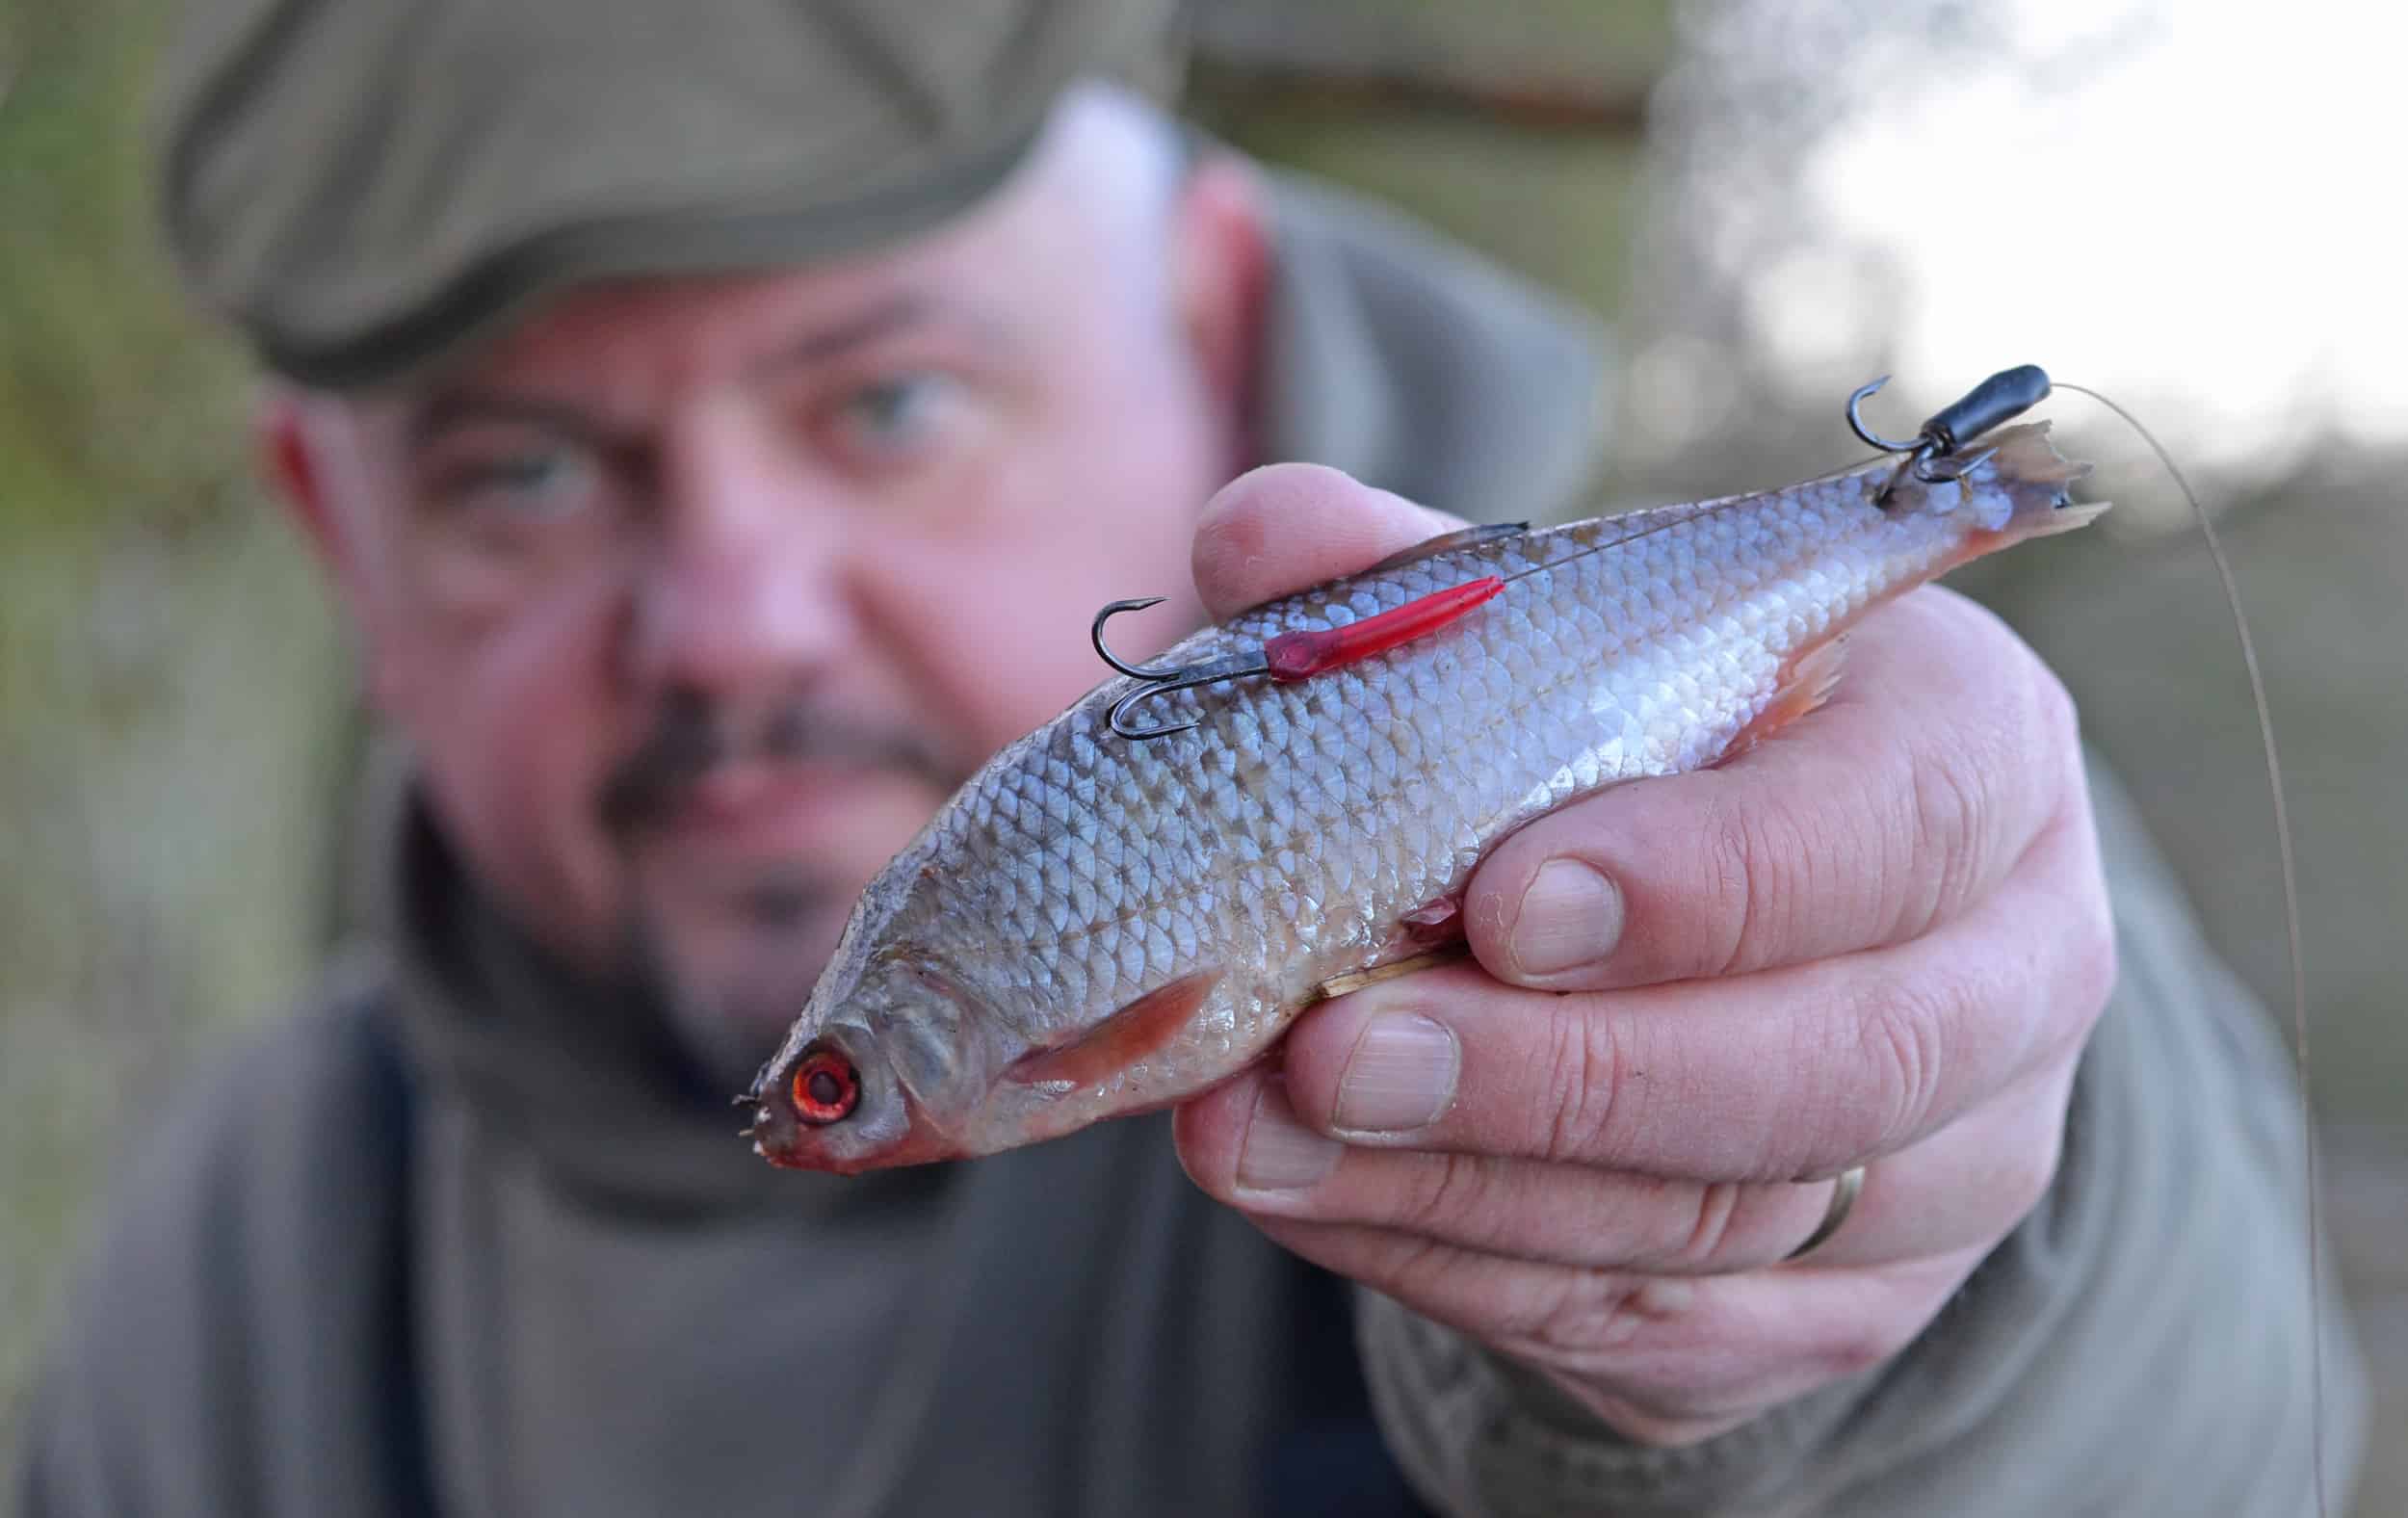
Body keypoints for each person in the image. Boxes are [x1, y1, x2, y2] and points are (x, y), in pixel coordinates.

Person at [14, 1, 2363, 1513]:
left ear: (1210, 314)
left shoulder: (1844, 774)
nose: (730, 612)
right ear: (334, 535)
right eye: (520, 473)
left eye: (889, 402)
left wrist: (1912, 1264)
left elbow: (2201, 1411)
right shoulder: (216, 1277)